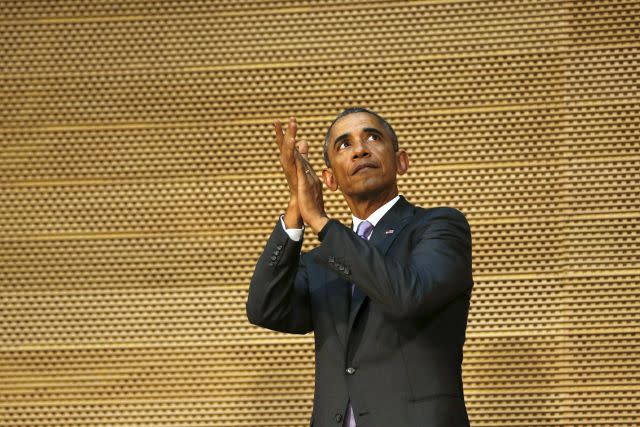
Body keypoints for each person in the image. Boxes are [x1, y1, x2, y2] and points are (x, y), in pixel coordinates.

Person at [246, 107, 474, 426]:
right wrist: (297, 205)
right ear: (329, 179)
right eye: (344, 144)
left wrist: (323, 223)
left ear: (401, 161)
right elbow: (265, 308)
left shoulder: (439, 227)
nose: (360, 149)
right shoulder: (324, 259)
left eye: (372, 137)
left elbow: (408, 296)